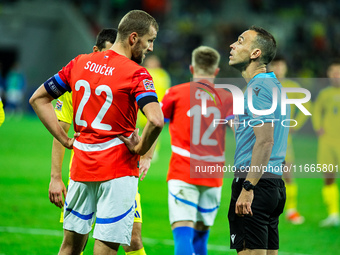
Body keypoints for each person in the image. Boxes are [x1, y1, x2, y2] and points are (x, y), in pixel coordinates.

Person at [29, 10, 164, 255]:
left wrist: (64, 139)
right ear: (134, 38)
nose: (151, 48)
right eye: (150, 40)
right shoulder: (136, 73)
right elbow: (156, 119)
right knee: (106, 247)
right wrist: (140, 149)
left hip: (81, 167)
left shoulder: (79, 62)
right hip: (118, 171)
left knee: (69, 247)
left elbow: (38, 99)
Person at [51, 28, 149, 255]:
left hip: (121, 172)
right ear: (96, 51)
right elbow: (60, 132)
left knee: (133, 238)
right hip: (83, 171)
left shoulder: (129, 77)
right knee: (77, 243)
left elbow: (154, 119)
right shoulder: (75, 82)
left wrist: (146, 154)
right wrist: (56, 177)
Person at [161, 46, 234, 255]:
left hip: (183, 170)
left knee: (183, 233)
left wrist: (145, 155)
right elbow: (240, 132)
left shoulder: (175, 93)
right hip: (213, 174)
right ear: (216, 71)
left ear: (192, 68)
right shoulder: (227, 97)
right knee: (201, 235)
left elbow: (157, 123)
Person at [227, 26, 289, 255]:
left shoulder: (258, 87)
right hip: (272, 183)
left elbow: (265, 142)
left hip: (255, 184)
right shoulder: (274, 86)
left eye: (240, 41)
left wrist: (248, 187)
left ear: (255, 54)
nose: (232, 45)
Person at [268, 56, 312, 224]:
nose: (278, 69)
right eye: (275, 65)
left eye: (281, 66)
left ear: (285, 68)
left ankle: (291, 210)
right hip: (261, 139)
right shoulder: (261, 85)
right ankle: (261, 209)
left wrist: (296, 125)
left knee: (288, 174)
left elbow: (306, 107)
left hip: (284, 140)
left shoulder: (293, 88)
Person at [312, 60, 340, 227]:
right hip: (328, 141)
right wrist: (318, 127)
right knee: (328, 176)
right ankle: (333, 214)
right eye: (334, 73)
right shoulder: (324, 94)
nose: (336, 76)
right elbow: (316, 111)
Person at [137, 54, 171, 160]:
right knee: (143, 127)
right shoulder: (142, 72)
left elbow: (166, 89)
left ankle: (153, 150)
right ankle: (141, 148)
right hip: (143, 104)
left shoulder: (162, 74)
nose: (152, 63)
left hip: (158, 104)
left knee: (155, 127)